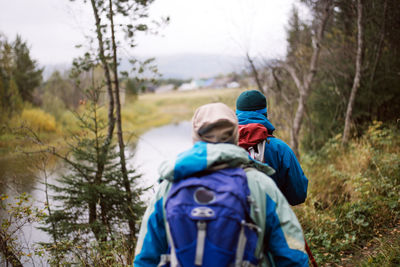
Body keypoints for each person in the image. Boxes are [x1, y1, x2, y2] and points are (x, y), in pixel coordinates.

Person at [134, 102, 309, 266]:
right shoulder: (260, 183)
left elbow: (145, 257)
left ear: (195, 135)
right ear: (235, 134)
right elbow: (292, 253)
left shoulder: (169, 185)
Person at [236, 90, 308, 206]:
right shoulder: (280, 149)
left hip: (231, 219)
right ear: (265, 113)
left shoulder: (224, 146)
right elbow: (298, 195)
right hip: (271, 219)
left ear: (237, 113)